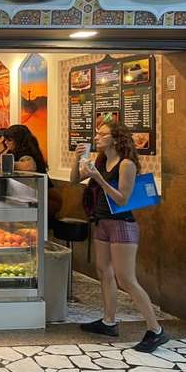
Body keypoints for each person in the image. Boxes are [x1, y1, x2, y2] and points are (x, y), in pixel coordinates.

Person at [71, 120, 169, 353]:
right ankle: (109, 321)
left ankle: (156, 330)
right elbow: (75, 180)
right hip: (102, 222)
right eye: (97, 134)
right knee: (104, 272)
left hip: (122, 225)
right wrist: (76, 160)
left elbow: (122, 199)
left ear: (115, 139)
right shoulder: (100, 160)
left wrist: (99, 178)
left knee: (126, 279)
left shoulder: (126, 164)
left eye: (102, 134)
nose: (97, 137)